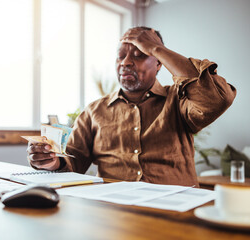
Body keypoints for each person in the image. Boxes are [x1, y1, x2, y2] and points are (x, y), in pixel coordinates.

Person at [27, 26, 236, 186]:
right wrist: (51, 162)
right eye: (120, 56)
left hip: (175, 213)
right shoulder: (94, 111)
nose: (125, 62)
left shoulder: (180, 100)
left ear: (159, 63)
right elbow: (74, 163)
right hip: (115, 213)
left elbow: (217, 98)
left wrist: (156, 48)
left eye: (139, 54)